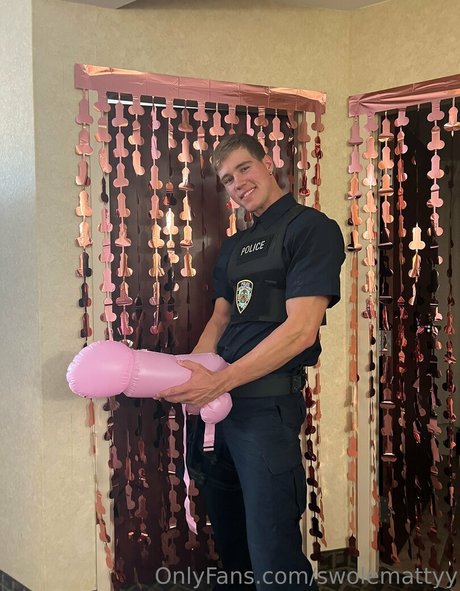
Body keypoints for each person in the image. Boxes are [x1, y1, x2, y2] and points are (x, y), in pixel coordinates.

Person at [160, 134, 345, 590]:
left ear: (268, 164)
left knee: (272, 552)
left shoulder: (310, 228)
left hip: (266, 411)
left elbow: (301, 330)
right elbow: (220, 319)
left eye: (244, 168)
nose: (238, 183)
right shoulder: (234, 246)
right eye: (227, 179)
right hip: (219, 412)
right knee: (233, 547)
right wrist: (192, 377)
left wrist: (219, 381)